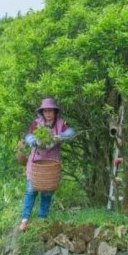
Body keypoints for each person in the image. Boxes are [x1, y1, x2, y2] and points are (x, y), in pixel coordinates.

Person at [18, 98, 75, 231]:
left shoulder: (61, 123)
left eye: (50, 110)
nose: (48, 113)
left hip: (52, 161)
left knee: (47, 192)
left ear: (55, 111)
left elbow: (71, 132)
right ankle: (25, 219)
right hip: (35, 161)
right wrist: (34, 140)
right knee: (31, 190)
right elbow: (28, 136)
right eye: (45, 111)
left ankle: (42, 219)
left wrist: (60, 136)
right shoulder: (36, 123)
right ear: (42, 112)